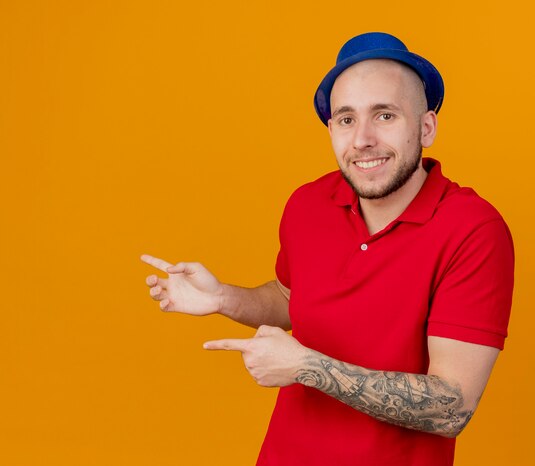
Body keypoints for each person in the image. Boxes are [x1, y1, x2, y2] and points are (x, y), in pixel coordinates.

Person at [141, 32, 514, 466]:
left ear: (426, 127)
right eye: (346, 119)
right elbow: (288, 299)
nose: (362, 140)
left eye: (385, 115)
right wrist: (223, 297)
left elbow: (452, 406)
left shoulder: (474, 230)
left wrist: (309, 368)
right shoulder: (307, 204)